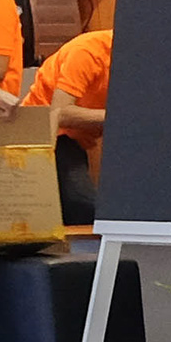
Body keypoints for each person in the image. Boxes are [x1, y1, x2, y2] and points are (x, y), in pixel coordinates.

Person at [32, 27, 111, 225]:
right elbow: (60, 113)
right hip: (44, 137)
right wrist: (121, 118)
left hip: (78, 139)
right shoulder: (88, 51)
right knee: (84, 209)